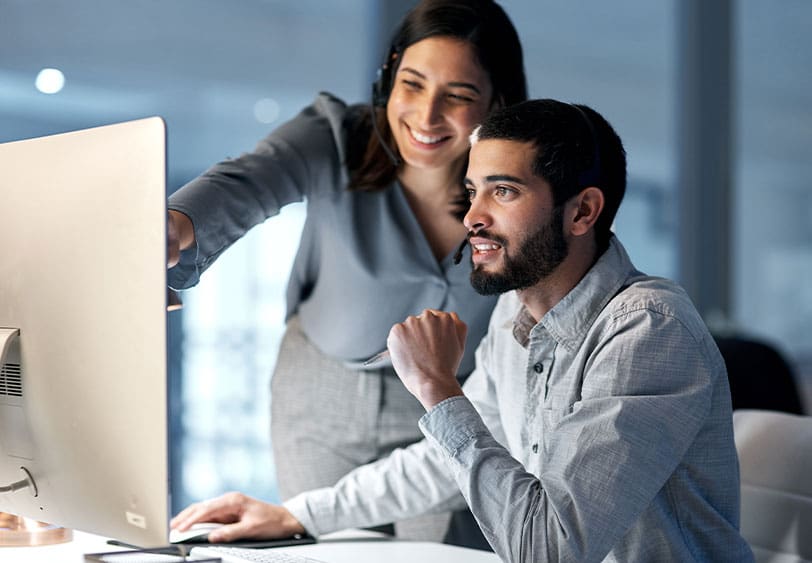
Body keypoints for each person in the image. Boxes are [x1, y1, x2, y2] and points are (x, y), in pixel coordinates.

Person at [171, 99, 755, 562]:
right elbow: (442, 460)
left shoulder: (646, 332)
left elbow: (549, 550)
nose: (473, 216)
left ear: (582, 212)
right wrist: (299, 515)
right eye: (473, 191)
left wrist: (437, 388)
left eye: (504, 191)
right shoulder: (515, 315)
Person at [166, 0, 526, 545]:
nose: (426, 116)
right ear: (388, 78)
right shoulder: (337, 137)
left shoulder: (512, 189)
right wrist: (173, 224)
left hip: (448, 398)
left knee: (441, 553)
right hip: (323, 395)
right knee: (329, 548)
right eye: (412, 84)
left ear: (496, 102)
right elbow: (249, 180)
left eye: (458, 96)